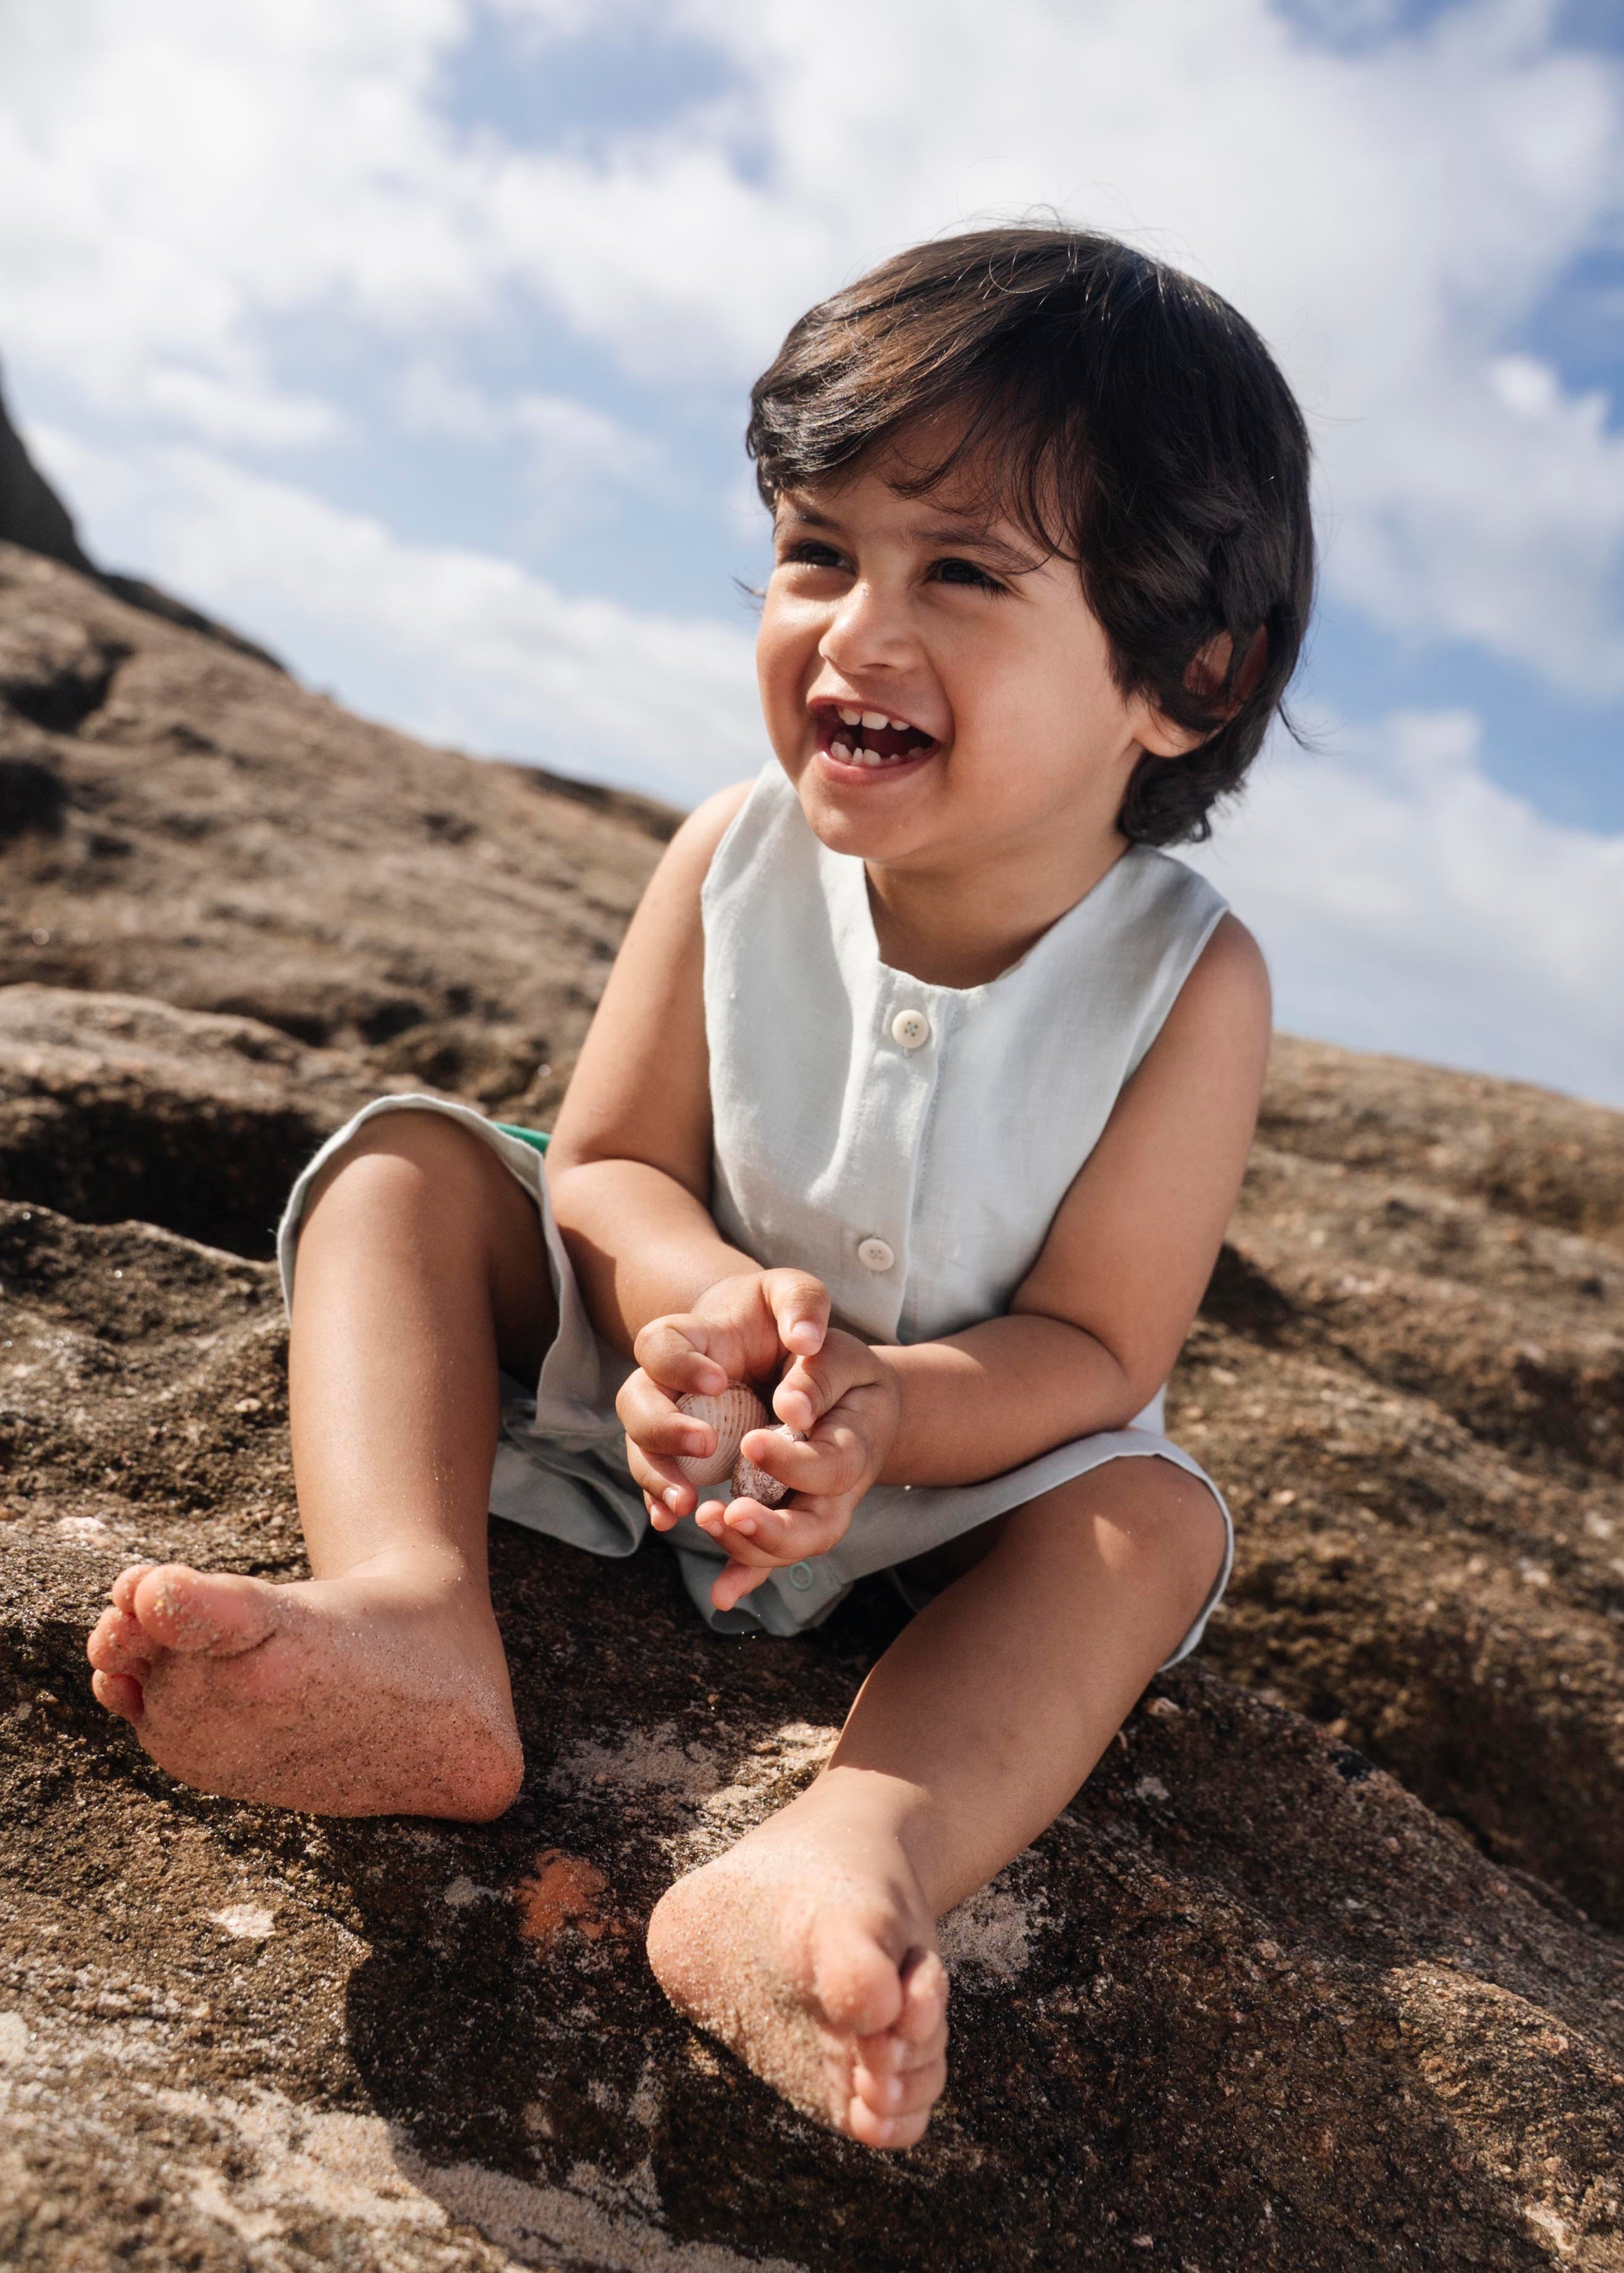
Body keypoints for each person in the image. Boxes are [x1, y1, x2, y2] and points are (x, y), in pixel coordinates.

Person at [86, 225, 1313, 2151]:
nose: (853, 631)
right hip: (643, 1394)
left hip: (948, 1489)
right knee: (404, 1168)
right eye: (818, 550)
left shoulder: (1188, 982)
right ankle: (411, 1618)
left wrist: (886, 1414)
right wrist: (689, 1309)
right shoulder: (736, 853)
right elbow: (608, 1162)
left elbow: (1095, 1347)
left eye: (963, 573)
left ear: (1188, 676)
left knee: (1145, 1524)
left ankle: (847, 1854)